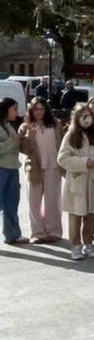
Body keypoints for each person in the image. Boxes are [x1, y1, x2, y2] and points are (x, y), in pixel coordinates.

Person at [57, 104, 94, 260]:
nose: (86, 119)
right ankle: (75, 246)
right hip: (78, 181)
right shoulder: (71, 135)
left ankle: (89, 244)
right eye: (83, 116)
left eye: (88, 115)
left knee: (91, 214)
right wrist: (83, 162)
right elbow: (62, 158)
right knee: (76, 215)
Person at [17, 97, 64, 243]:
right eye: (35, 109)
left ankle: (54, 231)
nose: (38, 112)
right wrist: (30, 137)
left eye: (41, 109)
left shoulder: (55, 124)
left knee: (53, 201)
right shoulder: (25, 126)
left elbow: (63, 145)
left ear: (46, 110)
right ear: (31, 110)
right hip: (34, 168)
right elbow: (23, 149)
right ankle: (37, 233)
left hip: (53, 167)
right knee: (34, 202)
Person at [0, 97, 25, 245]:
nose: (17, 112)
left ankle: (12, 235)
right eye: (14, 109)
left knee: (12, 203)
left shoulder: (8, 126)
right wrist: (12, 142)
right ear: (6, 109)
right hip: (2, 169)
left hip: (12, 169)